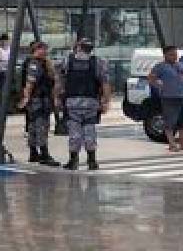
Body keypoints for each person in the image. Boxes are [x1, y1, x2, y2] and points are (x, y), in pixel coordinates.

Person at [56, 38, 112, 170]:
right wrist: (106, 101)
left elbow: (59, 80)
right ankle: (92, 161)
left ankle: (73, 161)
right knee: (90, 131)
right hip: (91, 102)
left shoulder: (67, 61)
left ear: (79, 47)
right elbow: (105, 83)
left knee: (74, 133)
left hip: (72, 102)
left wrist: (57, 98)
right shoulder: (99, 62)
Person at [17, 41, 60, 166]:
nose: (46, 52)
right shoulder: (35, 64)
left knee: (33, 126)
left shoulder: (38, 63)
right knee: (40, 126)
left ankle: (34, 152)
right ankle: (43, 154)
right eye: (43, 49)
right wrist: (26, 97)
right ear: (37, 50)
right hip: (38, 100)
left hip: (38, 99)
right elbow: (30, 83)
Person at [148, 45, 183, 151]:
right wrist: (159, 85)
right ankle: (172, 143)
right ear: (165, 55)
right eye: (172, 54)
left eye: (176, 54)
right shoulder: (160, 66)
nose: (174, 56)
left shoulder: (181, 65)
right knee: (170, 121)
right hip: (169, 97)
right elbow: (151, 78)